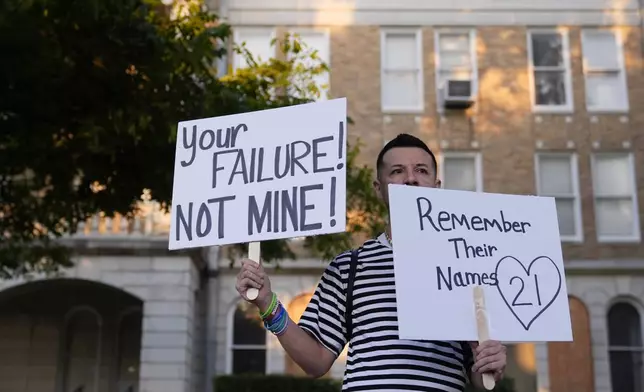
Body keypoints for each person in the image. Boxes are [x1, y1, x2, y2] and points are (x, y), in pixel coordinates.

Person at [235, 133, 507, 391]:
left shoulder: (468, 266)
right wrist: (267, 302)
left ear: (437, 186)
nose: (411, 179)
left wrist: (490, 364)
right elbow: (315, 361)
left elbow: (481, 379)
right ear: (379, 188)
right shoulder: (348, 267)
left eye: (422, 170)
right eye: (397, 171)